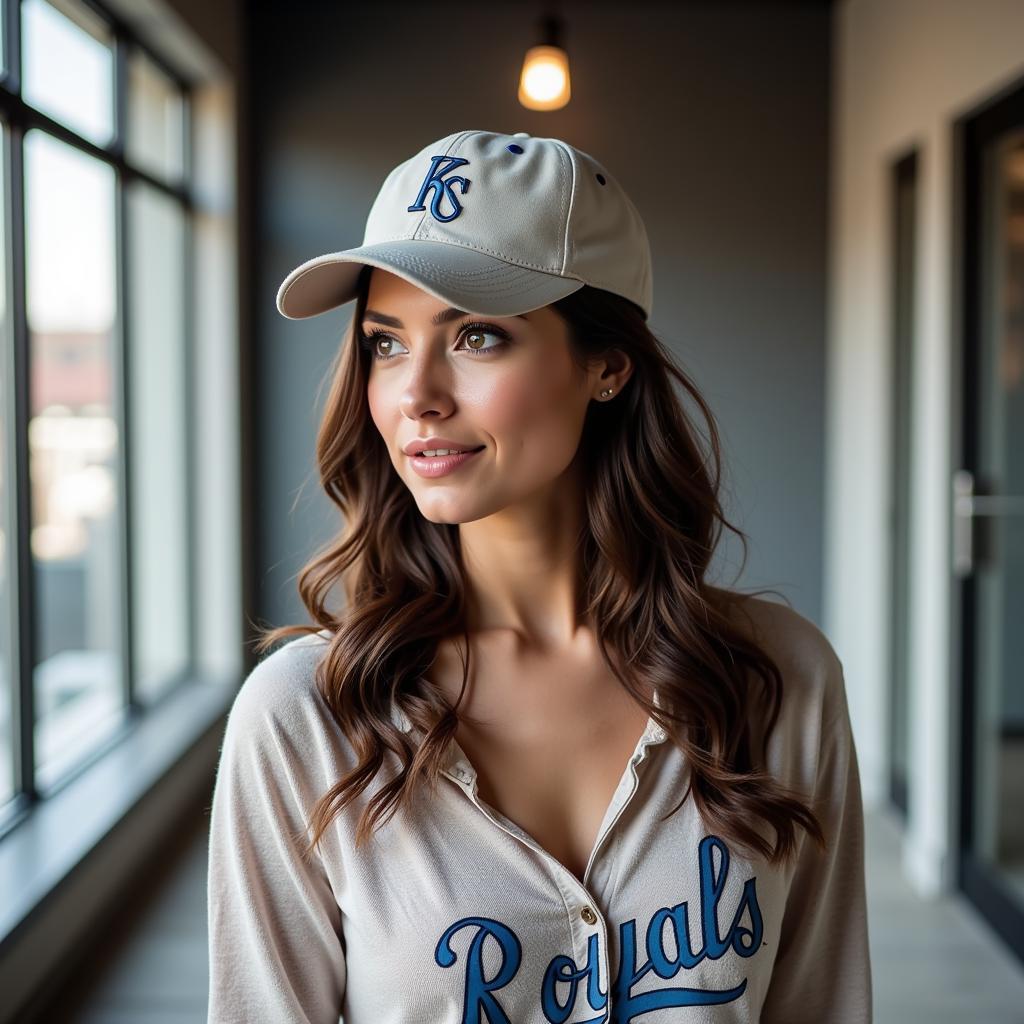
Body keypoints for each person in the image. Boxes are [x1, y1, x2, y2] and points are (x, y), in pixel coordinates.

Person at [206, 129, 872, 1023]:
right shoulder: (305, 715)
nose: (417, 396)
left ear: (606, 366)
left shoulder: (780, 678)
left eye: (476, 336)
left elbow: (822, 1004)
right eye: (385, 343)